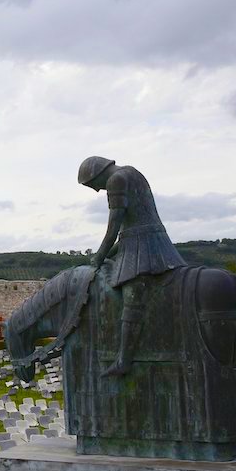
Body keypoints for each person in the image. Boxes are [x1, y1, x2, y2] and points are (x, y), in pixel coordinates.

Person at [77, 156, 186, 376]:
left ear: (98, 174)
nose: (96, 190)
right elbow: (127, 233)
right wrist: (108, 254)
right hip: (145, 240)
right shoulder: (132, 172)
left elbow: (114, 228)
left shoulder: (116, 180)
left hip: (144, 246)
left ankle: (124, 359)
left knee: (132, 293)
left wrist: (99, 257)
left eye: (92, 185)